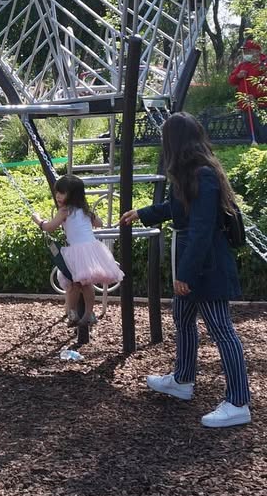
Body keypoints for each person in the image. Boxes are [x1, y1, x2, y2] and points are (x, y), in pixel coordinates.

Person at [121, 112, 251, 429]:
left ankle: (238, 402)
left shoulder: (203, 175)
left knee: (221, 330)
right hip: (192, 265)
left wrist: (187, 275)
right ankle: (182, 379)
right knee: (182, 318)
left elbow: (202, 229)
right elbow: (178, 210)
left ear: (174, 142)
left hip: (206, 268)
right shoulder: (189, 174)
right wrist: (143, 213)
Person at [33, 174, 124, 327]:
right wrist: (90, 217)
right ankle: (85, 313)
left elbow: (50, 227)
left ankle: (76, 312)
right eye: (57, 192)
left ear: (73, 196)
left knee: (76, 283)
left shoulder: (64, 212)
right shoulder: (84, 210)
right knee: (82, 284)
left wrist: (38, 220)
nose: (58, 196)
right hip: (90, 249)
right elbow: (99, 223)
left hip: (76, 252)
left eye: (62, 193)